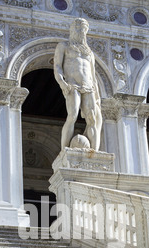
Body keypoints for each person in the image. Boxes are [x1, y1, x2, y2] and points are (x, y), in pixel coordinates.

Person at [54, 18, 103, 151]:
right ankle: (64, 152)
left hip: (88, 87)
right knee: (72, 115)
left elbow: (93, 76)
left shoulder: (89, 53)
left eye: (83, 30)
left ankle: (95, 152)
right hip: (72, 85)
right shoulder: (64, 46)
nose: (80, 32)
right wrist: (61, 82)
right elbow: (57, 67)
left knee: (92, 120)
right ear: (72, 30)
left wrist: (97, 97)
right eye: (77, 29)